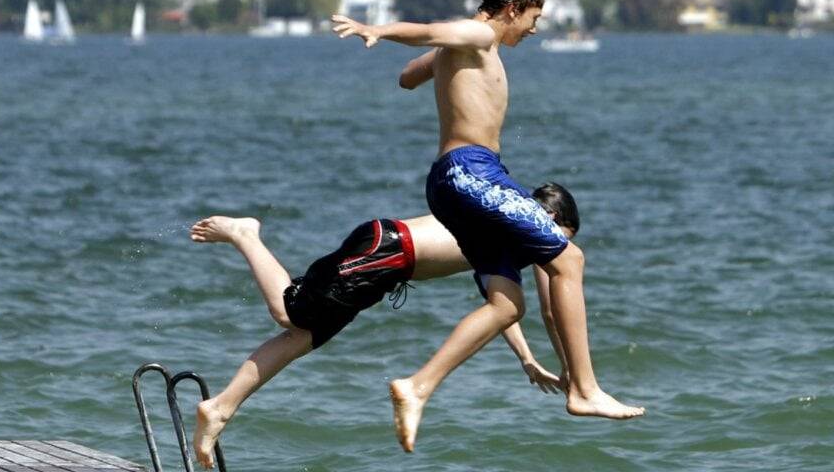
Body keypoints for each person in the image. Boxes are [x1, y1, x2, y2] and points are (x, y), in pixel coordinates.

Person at [332, 0, 644, 452]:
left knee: (506, 305)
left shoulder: (470, 46)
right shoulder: (478, 33)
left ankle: (417, 387)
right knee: (569, 258)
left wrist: (436, 65)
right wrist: (379, 29)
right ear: (513, 8)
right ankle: (584, 390)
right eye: (533, 17)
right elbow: (431, 33)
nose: (535, 29)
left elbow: (408, 77)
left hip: (455, 182)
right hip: (471, 174)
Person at [188, 184, 578, 469]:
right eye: (562, 240)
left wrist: (527, 360)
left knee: (303, 335)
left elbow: (500, 308)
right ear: (551, 219)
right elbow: (548, 309)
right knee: (292, 313)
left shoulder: (504, 237)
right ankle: (245, 234)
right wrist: (573, 375)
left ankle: (220, 407)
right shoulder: (517, 228)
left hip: (386, 260)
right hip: (388, 249)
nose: (556, 255)